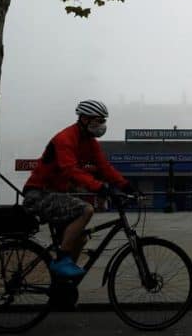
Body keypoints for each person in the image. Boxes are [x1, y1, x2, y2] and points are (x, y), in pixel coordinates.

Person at [22, 100, 134, 278]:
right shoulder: (65, 139)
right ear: (84, 119)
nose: (102, 125)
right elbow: (70, 170)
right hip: (39, 194)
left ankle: (63, 284)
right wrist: (101, 188)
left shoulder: (89, 142)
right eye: (98, 120)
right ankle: (63, 261)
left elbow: (104, 167)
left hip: (56, 194)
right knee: (85, 209)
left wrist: (126, 185)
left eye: (103, 121)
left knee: (80, 238)